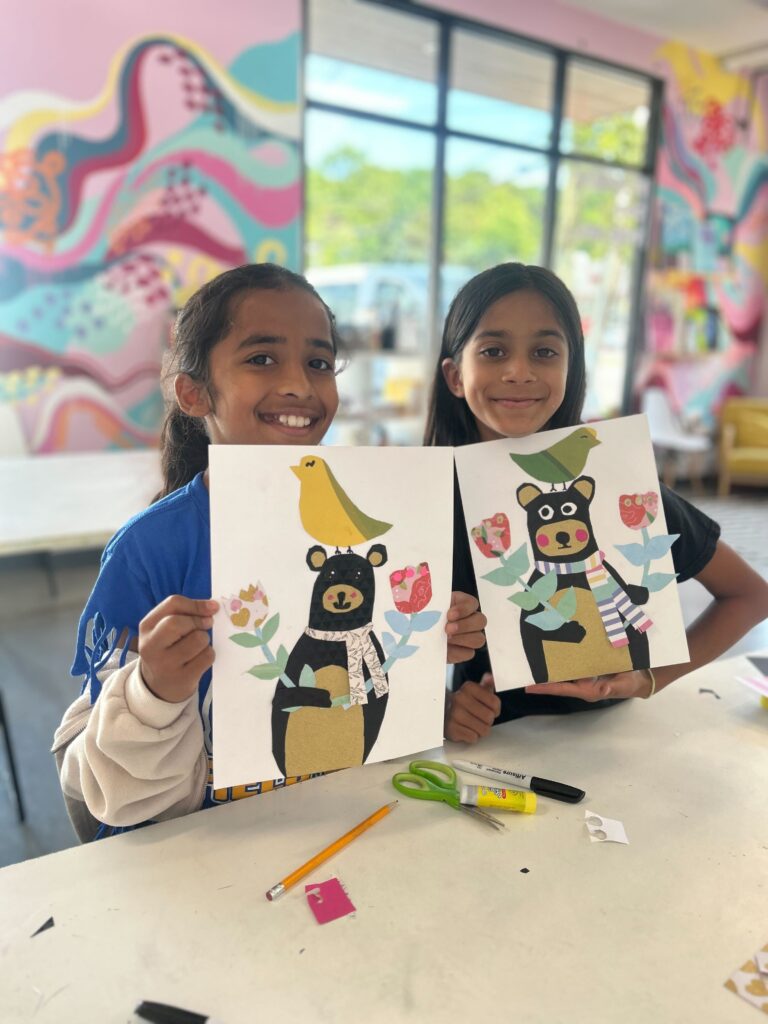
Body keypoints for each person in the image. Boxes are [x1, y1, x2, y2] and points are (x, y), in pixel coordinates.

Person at [53, 263, 486, 840]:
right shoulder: (151, 550)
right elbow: (91, 775)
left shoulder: (381, 525)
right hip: (202, 853)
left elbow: (376, 714)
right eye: (261, 358)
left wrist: (434, 675)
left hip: (345, 828)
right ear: (194, 392)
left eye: (319, 362)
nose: (300, 386)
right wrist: (152, 690)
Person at [424, 262, 768, 743]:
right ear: (455, 375)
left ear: (571, 368)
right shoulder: (426, 505)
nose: (519, 371)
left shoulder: (620, 488)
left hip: (617, 740)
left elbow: (751, 595)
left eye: (544, 351)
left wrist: (649, 680)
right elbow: (392, 644)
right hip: (499, 744)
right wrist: (441, 707)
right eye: (494, 350)